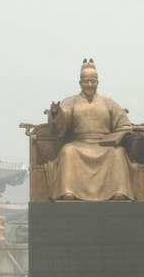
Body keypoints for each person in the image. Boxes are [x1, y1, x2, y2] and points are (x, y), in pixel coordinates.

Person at [46, 59, 137, 201]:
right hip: (78, 143)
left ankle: (119, 192)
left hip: (104, 145)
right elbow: (60, 124)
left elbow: (123, 124)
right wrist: (57, 113)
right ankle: (68, 192)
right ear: (80, 83)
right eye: (86, 81)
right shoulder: (71, 102)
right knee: (68, 151)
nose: (89, 85)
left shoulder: (109, 103)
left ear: (98, 83)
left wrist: (122, 133)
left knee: (118, 153)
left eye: (93, 81)